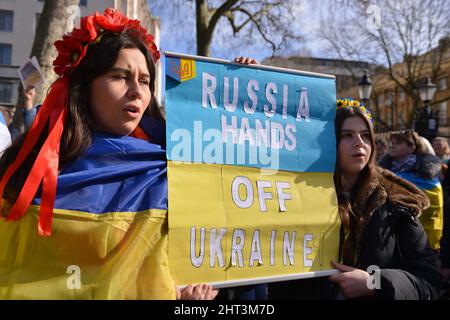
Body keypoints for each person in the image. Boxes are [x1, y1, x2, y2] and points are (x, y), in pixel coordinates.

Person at [0, 8, 217, 300]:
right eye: (121, 76)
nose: (136, 92)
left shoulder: (173, 163)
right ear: (84, 87)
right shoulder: (30, 167)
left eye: (144, 80)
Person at [328, 99, 443, 299]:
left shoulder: (396, 202)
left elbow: (428, 279)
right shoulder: (299, 196)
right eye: (347, 135)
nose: (359, 143)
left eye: (365, 135)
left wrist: (375, 282)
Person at [379, 130, 444, 250]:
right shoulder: (383, 171)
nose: (392, 145)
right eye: (392, 142)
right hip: (389, 236)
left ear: (411, 147)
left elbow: (433, 206)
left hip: (421, 238)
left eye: (398, 143)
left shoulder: (425, 174)